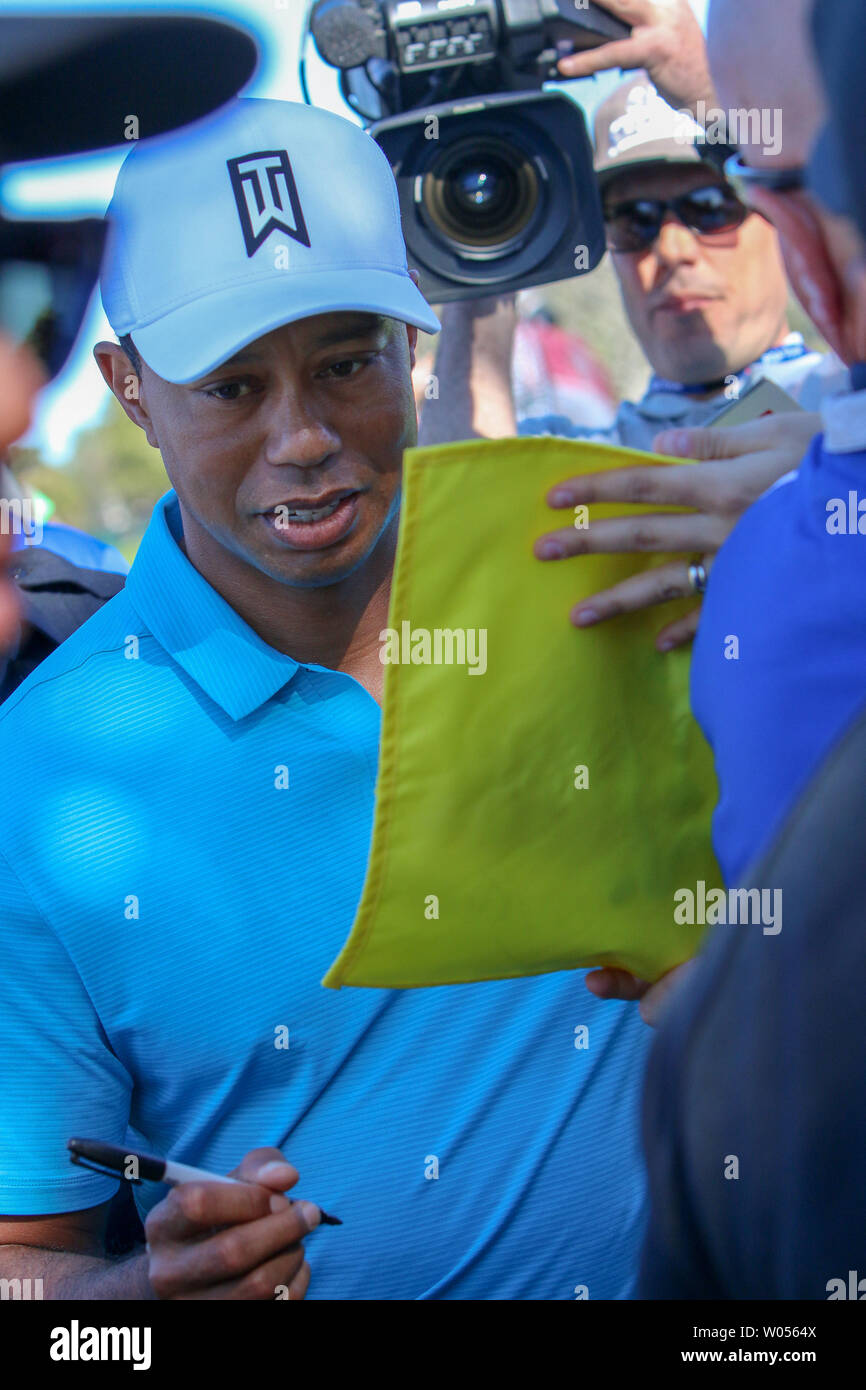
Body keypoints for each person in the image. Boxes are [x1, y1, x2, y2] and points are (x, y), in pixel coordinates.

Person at [0, 96, 652, 1301]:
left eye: (346, 361)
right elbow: (26, 1276)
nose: (301, 437)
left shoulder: (593, 580)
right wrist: (141, 1301)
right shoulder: (31, 786)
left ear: (410, 342)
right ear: (127, 386)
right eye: (232, 387)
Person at [635, 0, 866, 1297]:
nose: (671, 248)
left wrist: (731, 1013)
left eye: (724, 197)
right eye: (631, 217)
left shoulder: (779, 577)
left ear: (803, 256)